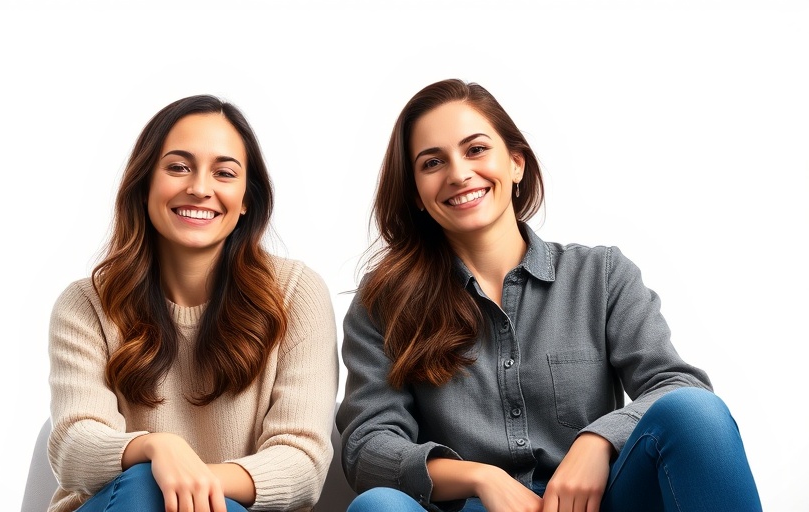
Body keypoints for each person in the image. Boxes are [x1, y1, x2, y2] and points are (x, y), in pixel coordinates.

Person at [336, 79, 761, 512]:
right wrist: (481, 477)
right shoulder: (383, 305)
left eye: (476, 149)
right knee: (379, 506)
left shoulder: (601, 275)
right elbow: (368, 448)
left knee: (694, 412)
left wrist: (597, 441)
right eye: (432, 162)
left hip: (601, 503)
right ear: (416, 194)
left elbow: (677, 385)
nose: (459, 173)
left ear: (516, 163)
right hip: (472, 507)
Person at [47, 95, 338, 512]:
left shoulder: (295, 295)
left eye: (224, 173)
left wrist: (187, 477)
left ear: (246, 201)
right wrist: (154, 448)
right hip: (118, 503)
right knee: (146, 484)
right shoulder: (86, 305)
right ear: (145, 184)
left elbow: (302, 463)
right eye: (178, 167)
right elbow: (73, 446)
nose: (200, 188)